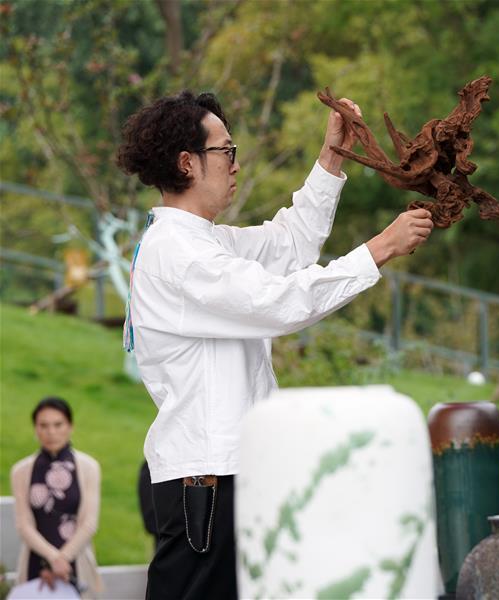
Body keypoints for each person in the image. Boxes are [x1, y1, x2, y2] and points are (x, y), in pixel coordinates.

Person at [116, 90, 433, 599]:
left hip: (234, 475)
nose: (236, 163)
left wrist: (331, 158)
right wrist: (379, 249)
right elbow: (281, 301)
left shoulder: (204, 242)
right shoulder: (178, 254)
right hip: (208, 484)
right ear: (186, 163)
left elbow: (290, 243)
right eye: (226, 150)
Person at [10, 397, 103, 598]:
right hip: (35, 563)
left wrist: (64, 559)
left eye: (58, 424)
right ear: (35, 428)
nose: (51, 432)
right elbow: (23, 524)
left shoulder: (89, 467)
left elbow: (89, 523)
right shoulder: (21, 471)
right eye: (43, 425)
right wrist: (54, 558)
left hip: (76, 563)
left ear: (70, 426)